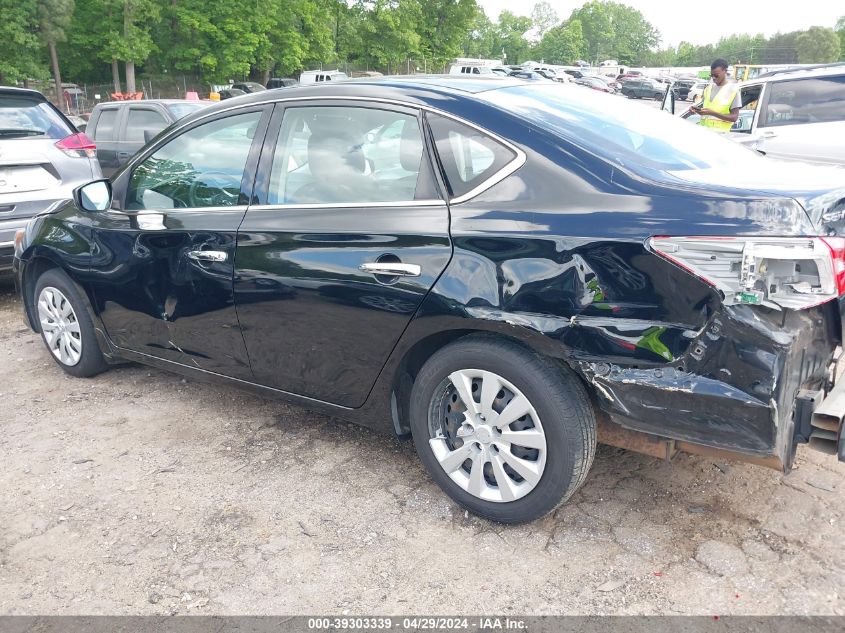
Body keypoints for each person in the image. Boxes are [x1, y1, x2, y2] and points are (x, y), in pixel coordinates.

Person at [690, 59, 741, 132]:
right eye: (712, 75)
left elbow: (734, 117)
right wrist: (696, 110)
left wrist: (713, 113)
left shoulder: (733, 90)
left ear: (725, 71)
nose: (713, 78)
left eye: (716, 75)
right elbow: (706, 110)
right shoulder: (708, 89)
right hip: (704, 134)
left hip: (721, 137)